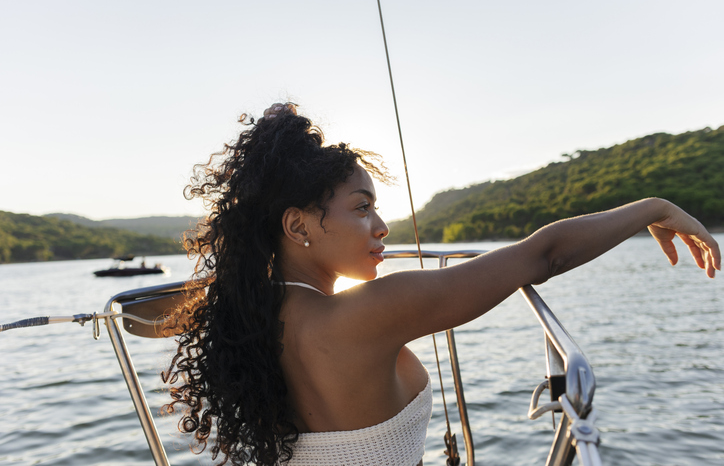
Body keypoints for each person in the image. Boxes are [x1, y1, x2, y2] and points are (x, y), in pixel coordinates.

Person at [162, 103, 720, 466]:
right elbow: (542, 256)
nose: (382, 228)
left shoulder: (249, 314)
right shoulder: (366, 313)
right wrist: (656, 206)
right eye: (362, 209)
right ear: (298, 225)